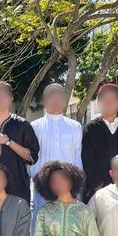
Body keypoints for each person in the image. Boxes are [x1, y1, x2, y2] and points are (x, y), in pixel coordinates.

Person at [30, 83, 83, 220]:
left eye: (59, 94)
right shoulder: (34, 127)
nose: (55, 98)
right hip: (43, 188)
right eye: (50, 95)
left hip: (69, 188)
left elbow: (77, 157)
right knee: (42, 225)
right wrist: (42, 181)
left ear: (65, 99)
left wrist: (73, 183)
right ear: (43, 101)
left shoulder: (75, 126)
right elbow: (30, 158)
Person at [0, 81, 40, 203]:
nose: (1, 98)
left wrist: (8, 142)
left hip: (17, 187)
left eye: (5, 95)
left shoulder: (22, 124)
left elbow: (32, 157)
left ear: (11, 99)